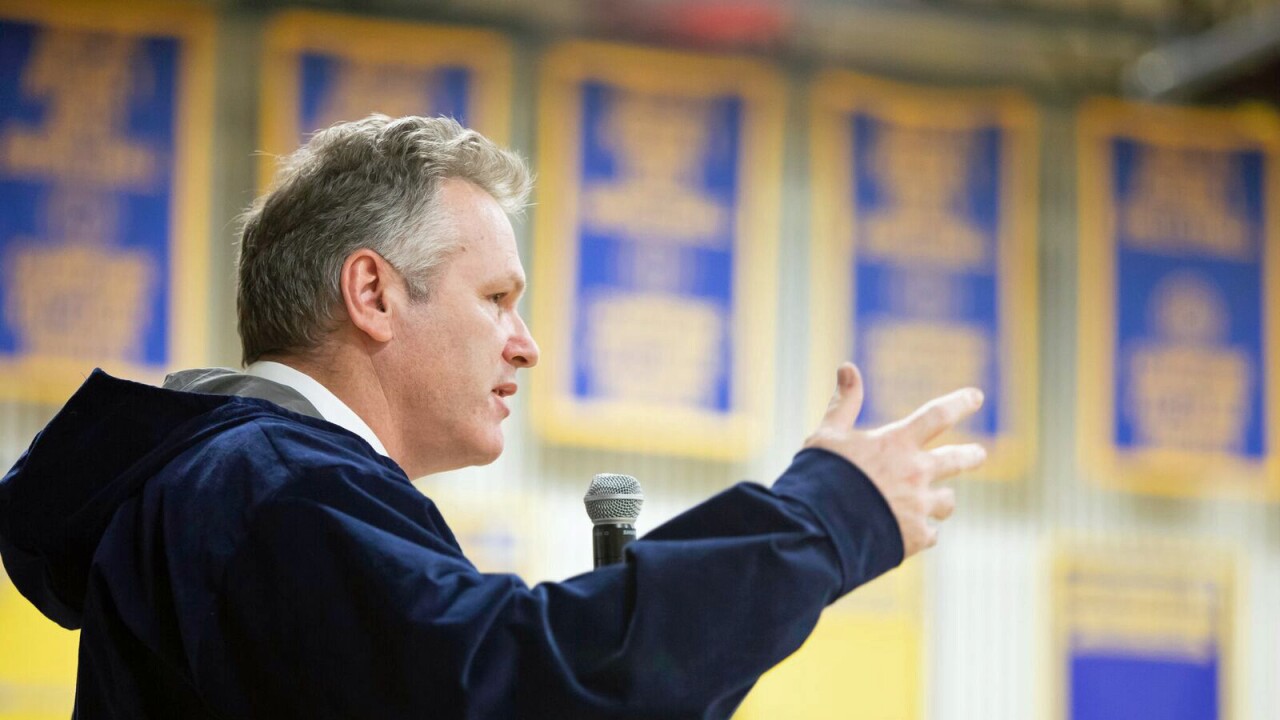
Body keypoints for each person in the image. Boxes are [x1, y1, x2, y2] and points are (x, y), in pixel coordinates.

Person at [0, 115, 986, 718]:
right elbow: (508, 686)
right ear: (374, 294)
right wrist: (826, 516)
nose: (527, 343)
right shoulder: (269, 486)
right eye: (496, 299)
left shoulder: (239, 489)